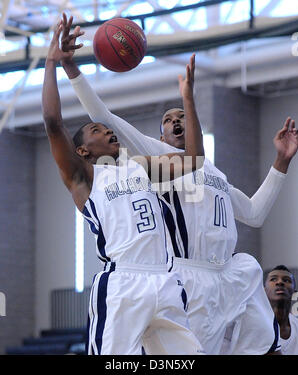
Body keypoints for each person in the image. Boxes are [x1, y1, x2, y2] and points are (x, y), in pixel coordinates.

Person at [59, 14, 298, 354]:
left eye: (181, 117)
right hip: (190, 276)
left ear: (196, 124)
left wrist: (281, 162)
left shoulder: (216, 174)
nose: (175, 122)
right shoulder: (156, 158)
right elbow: (105, 117)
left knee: (265, 340)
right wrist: (72, 71)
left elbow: (255, 215)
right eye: (167, 120)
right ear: (158, 137)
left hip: (231, 274)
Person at [42, 19, 206, 355]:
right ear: (83, 150)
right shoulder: (83, 177)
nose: (107, 131)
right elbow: (52, 122)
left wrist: (188, 100)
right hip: (122, 283)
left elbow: (193, 161)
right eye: (97, 131)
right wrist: (52, 62)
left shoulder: (140, 167)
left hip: (165, 278)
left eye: (108, 128)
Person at [265, 265, 298, 355]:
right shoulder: (254, 326)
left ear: (294, 291)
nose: (280, 282)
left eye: (286, 280)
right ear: (264, 290)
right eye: (273, 279)